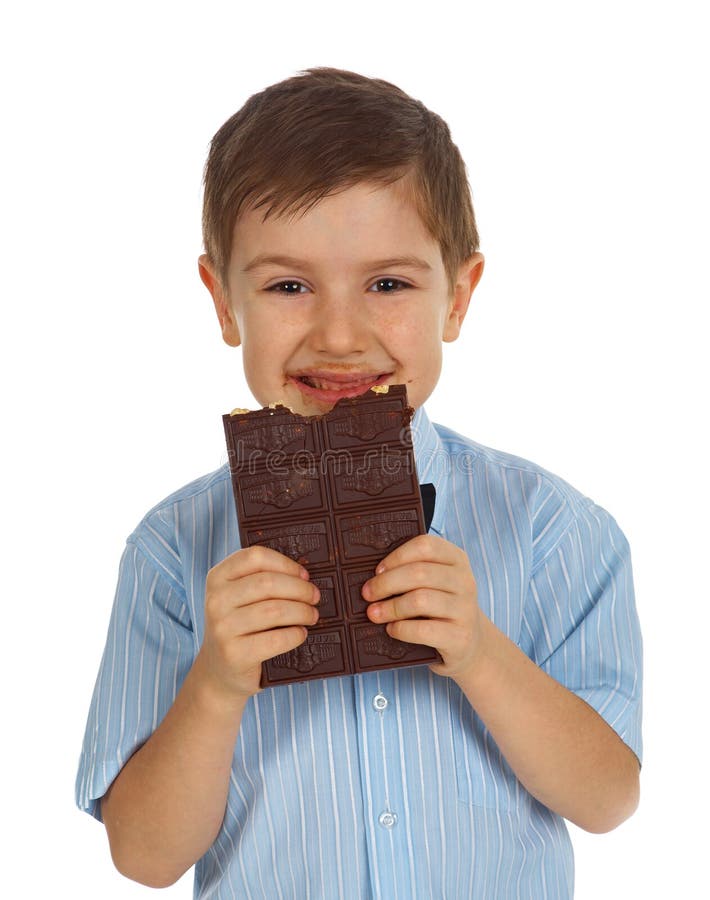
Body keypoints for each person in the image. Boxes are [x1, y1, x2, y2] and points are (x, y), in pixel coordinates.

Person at [75, 67, 642, 899]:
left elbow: (608, 799)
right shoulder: (172, 549)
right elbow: (146, 858)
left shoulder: (556, 530)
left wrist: (482, 652)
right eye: (288, 286)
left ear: (459, 296)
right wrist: (217, 682)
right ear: (224, 302)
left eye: (388, 284)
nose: (340, 335)